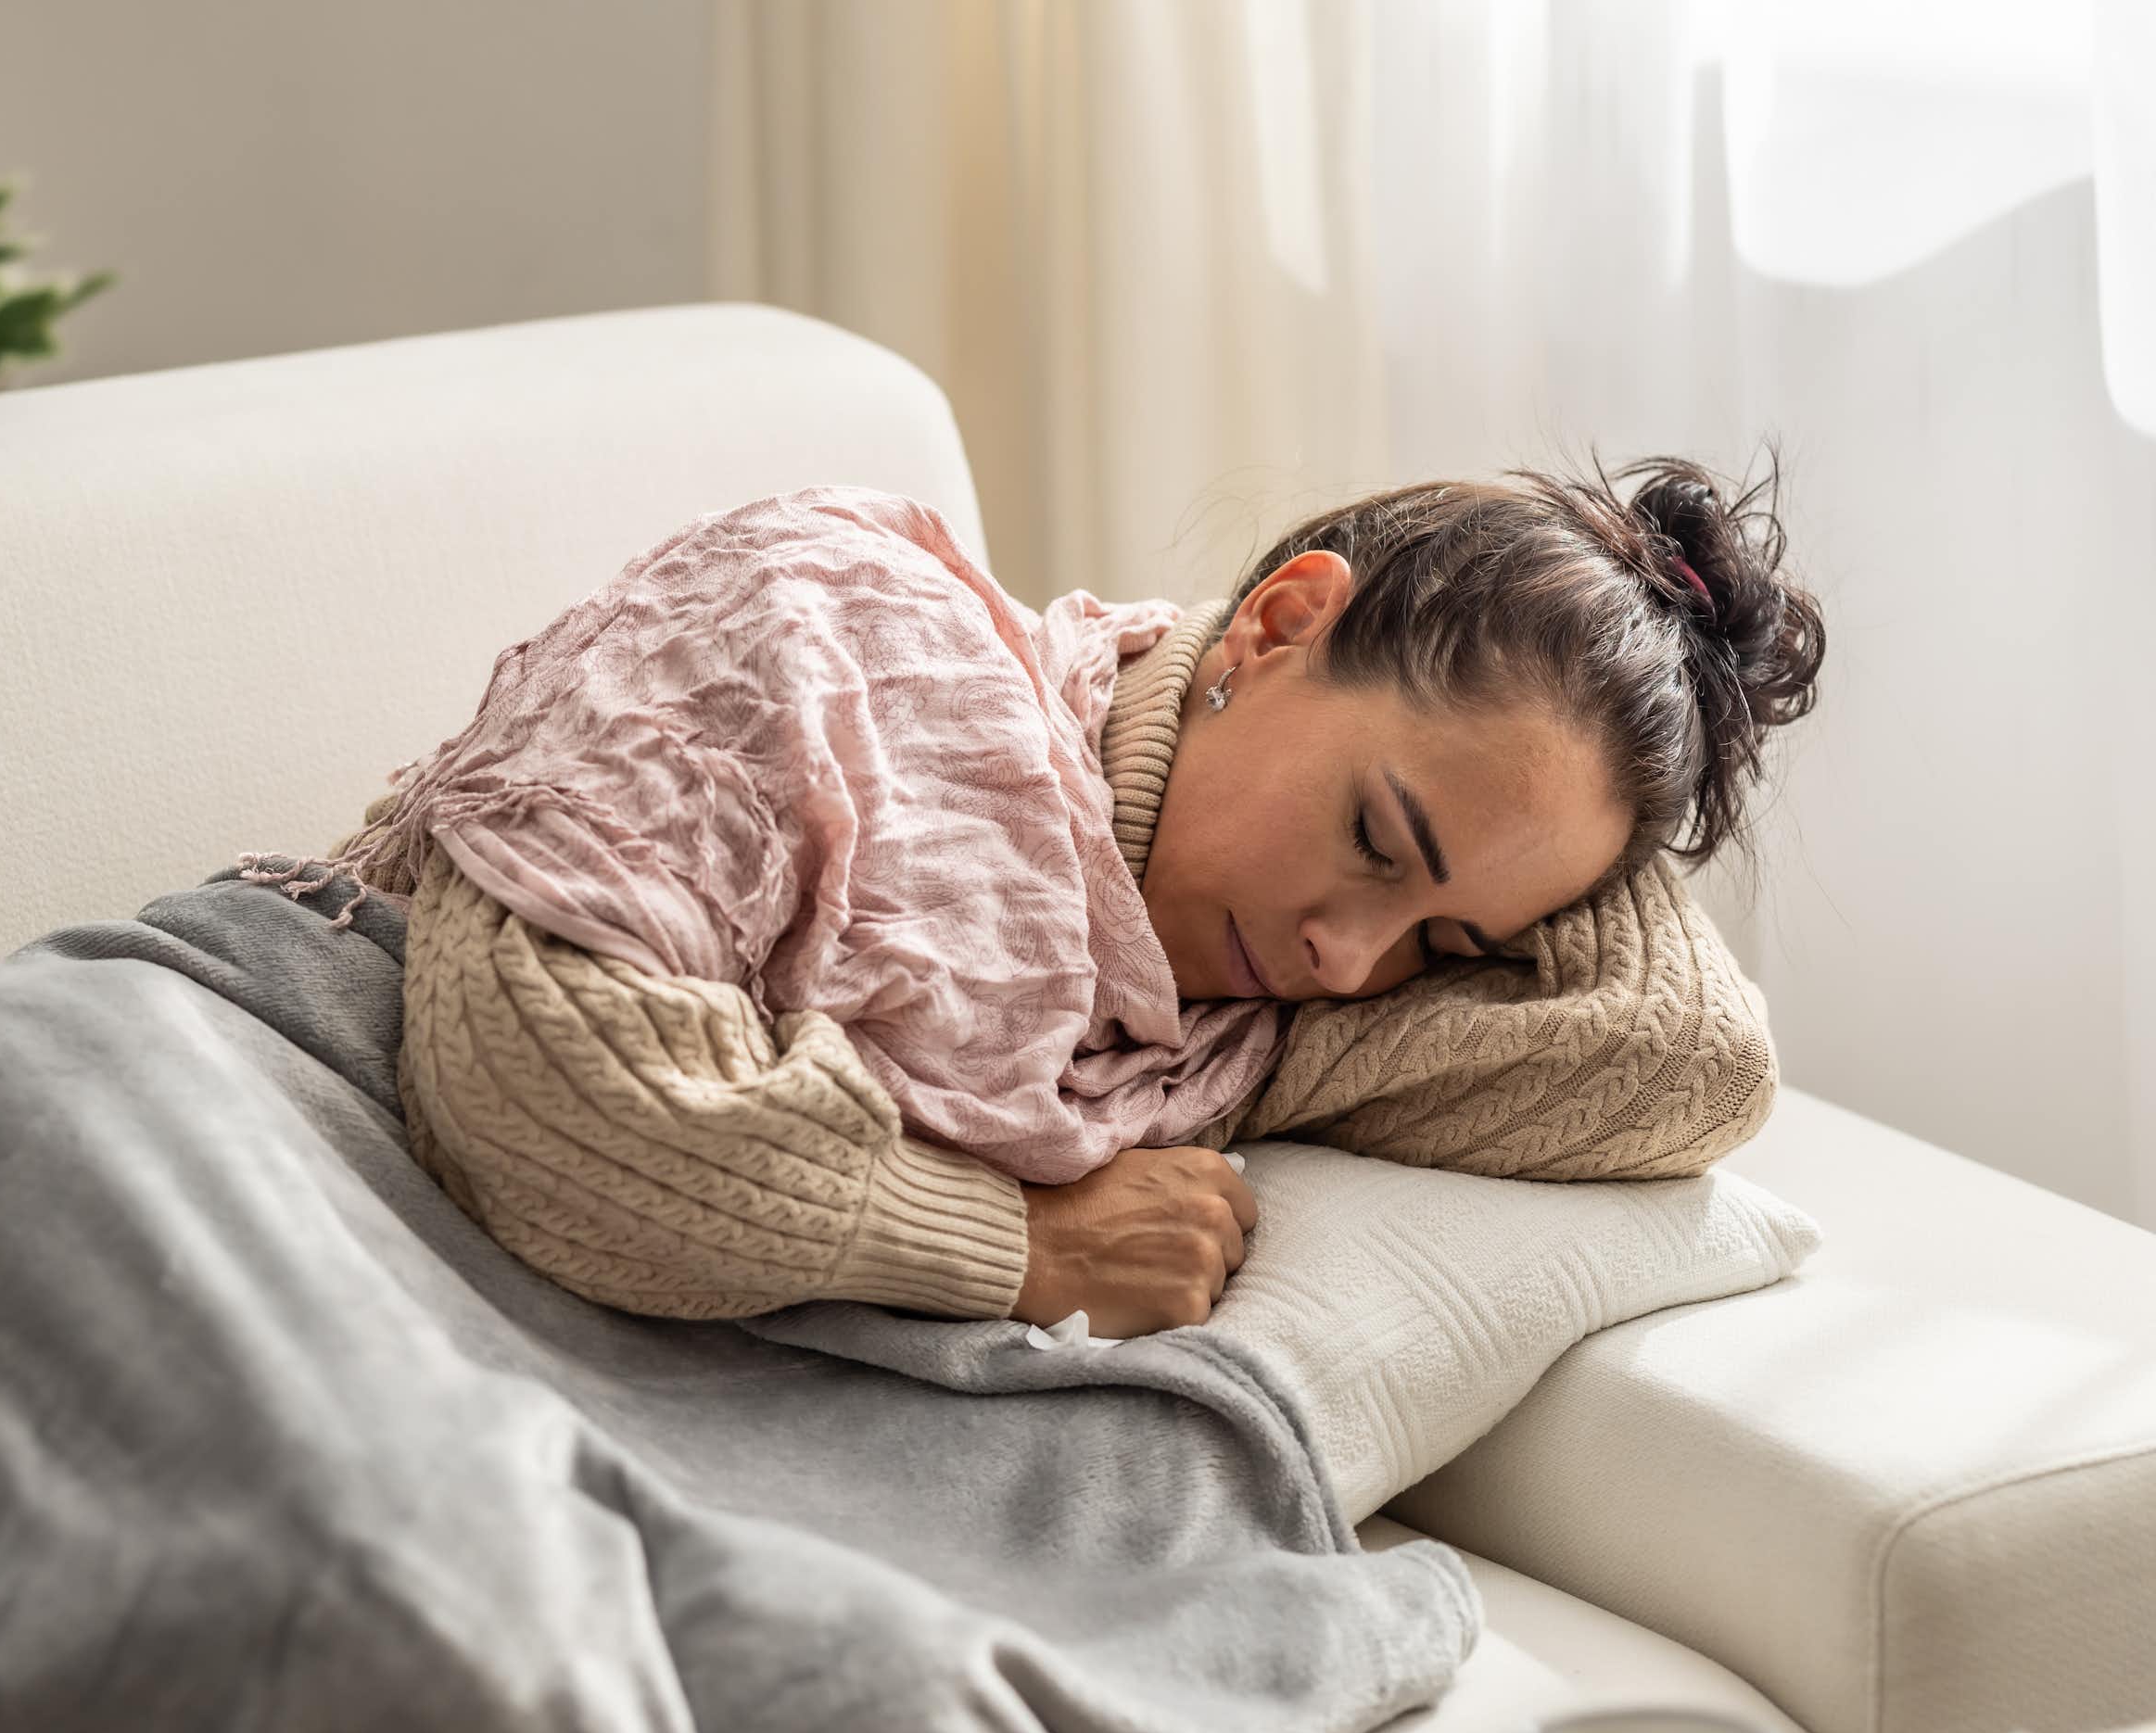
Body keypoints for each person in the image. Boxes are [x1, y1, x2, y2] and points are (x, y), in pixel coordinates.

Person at [306, 447, 1823, 1339]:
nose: (1349, 961)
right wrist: (1027, 1249)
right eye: (1377, 837)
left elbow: (1682, 1071)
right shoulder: (845, 625)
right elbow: (540, 1088)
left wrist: (1643, 720)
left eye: (1445, 941)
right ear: (1279, 622)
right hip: (263, 1113)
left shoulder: (1239, 1026)